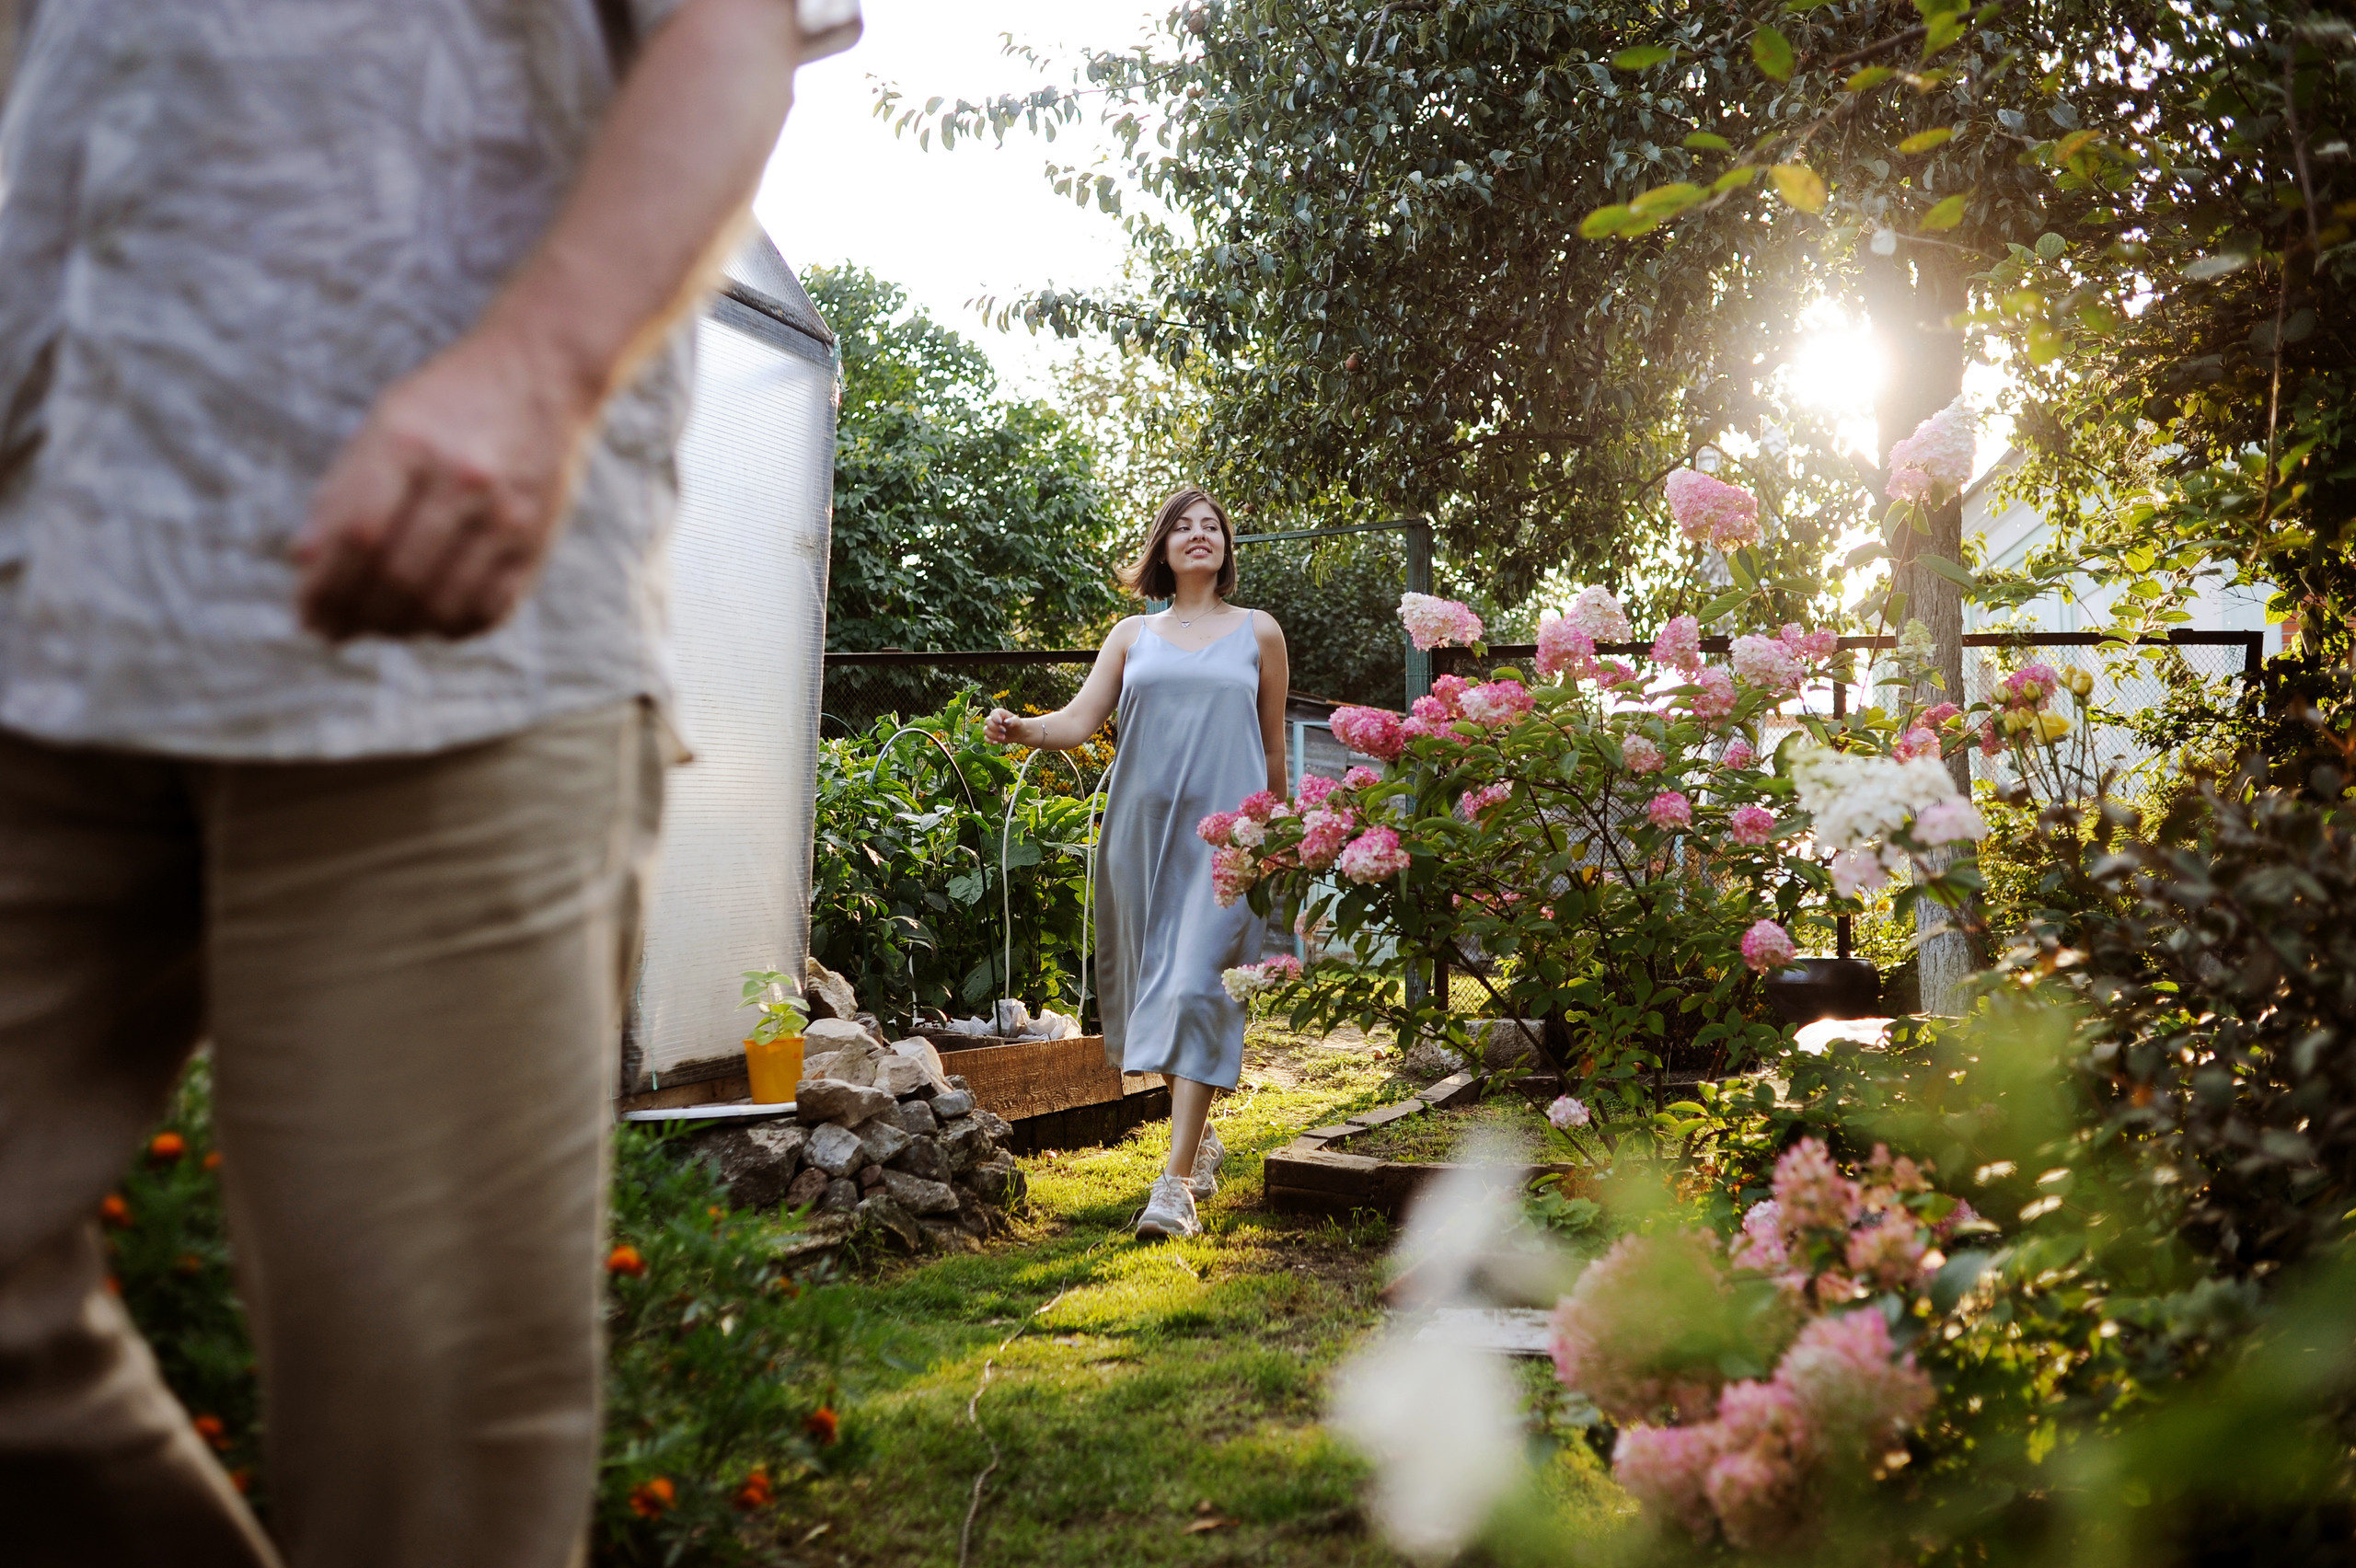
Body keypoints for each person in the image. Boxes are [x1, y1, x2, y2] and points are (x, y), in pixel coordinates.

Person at [0, 2, 859, 1565]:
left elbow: (729, 28)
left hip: (446, 633)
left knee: (429, 1443)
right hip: (40, 581)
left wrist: (534, 378)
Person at [986, 487, 1289, 1240]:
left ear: (1226, 548)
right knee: (1153, 995)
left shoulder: (1260, 633)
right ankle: (1202, 1137)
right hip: (1142, 835)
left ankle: (1174, 1186)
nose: (1198, 535)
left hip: (1228, 842)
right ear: (1162, 547)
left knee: (1198, 988)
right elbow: (1081, 720)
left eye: (1212, 526)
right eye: (1182, 526)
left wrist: (1277, 837)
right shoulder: (1132, 635)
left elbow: (1274, 745)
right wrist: (1025, 727)